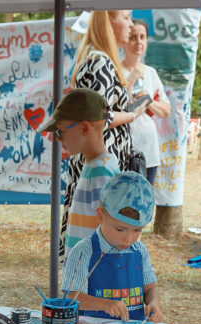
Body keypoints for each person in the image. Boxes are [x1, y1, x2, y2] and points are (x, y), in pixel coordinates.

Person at [63, 11, 149, 259]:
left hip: (100, 163)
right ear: (109, 22)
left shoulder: (97, 58)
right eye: (126, 17)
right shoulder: (100, 60)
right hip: (101, 166)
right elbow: (100, 117)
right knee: (96, 243)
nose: (131, 25)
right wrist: (134, 114)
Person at [61, 171, 165, 323]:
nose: (128, 239)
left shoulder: (140, 251)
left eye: (137, 230)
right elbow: (70, 297)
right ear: (100, 216)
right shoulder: (84, 251)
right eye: (120, 229)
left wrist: (154, 303)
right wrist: (104, 304)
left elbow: (149, 288)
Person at [40, 88, 120, 255]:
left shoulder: (102, 174)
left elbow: (114, 239)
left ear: (84, 128)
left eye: (61, 130)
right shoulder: (96, 167)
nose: (58, 138)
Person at [121, 19, 171, 186]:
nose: (139, 42)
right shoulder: (115, 70)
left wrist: (149, 102)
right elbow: (117, 109)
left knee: (144, 204)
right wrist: (131, 80)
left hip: (148, 153)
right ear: (125, 40)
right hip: (123, 150)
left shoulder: (151, 72)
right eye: (133, 37)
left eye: (142, 37)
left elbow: (166, 110)